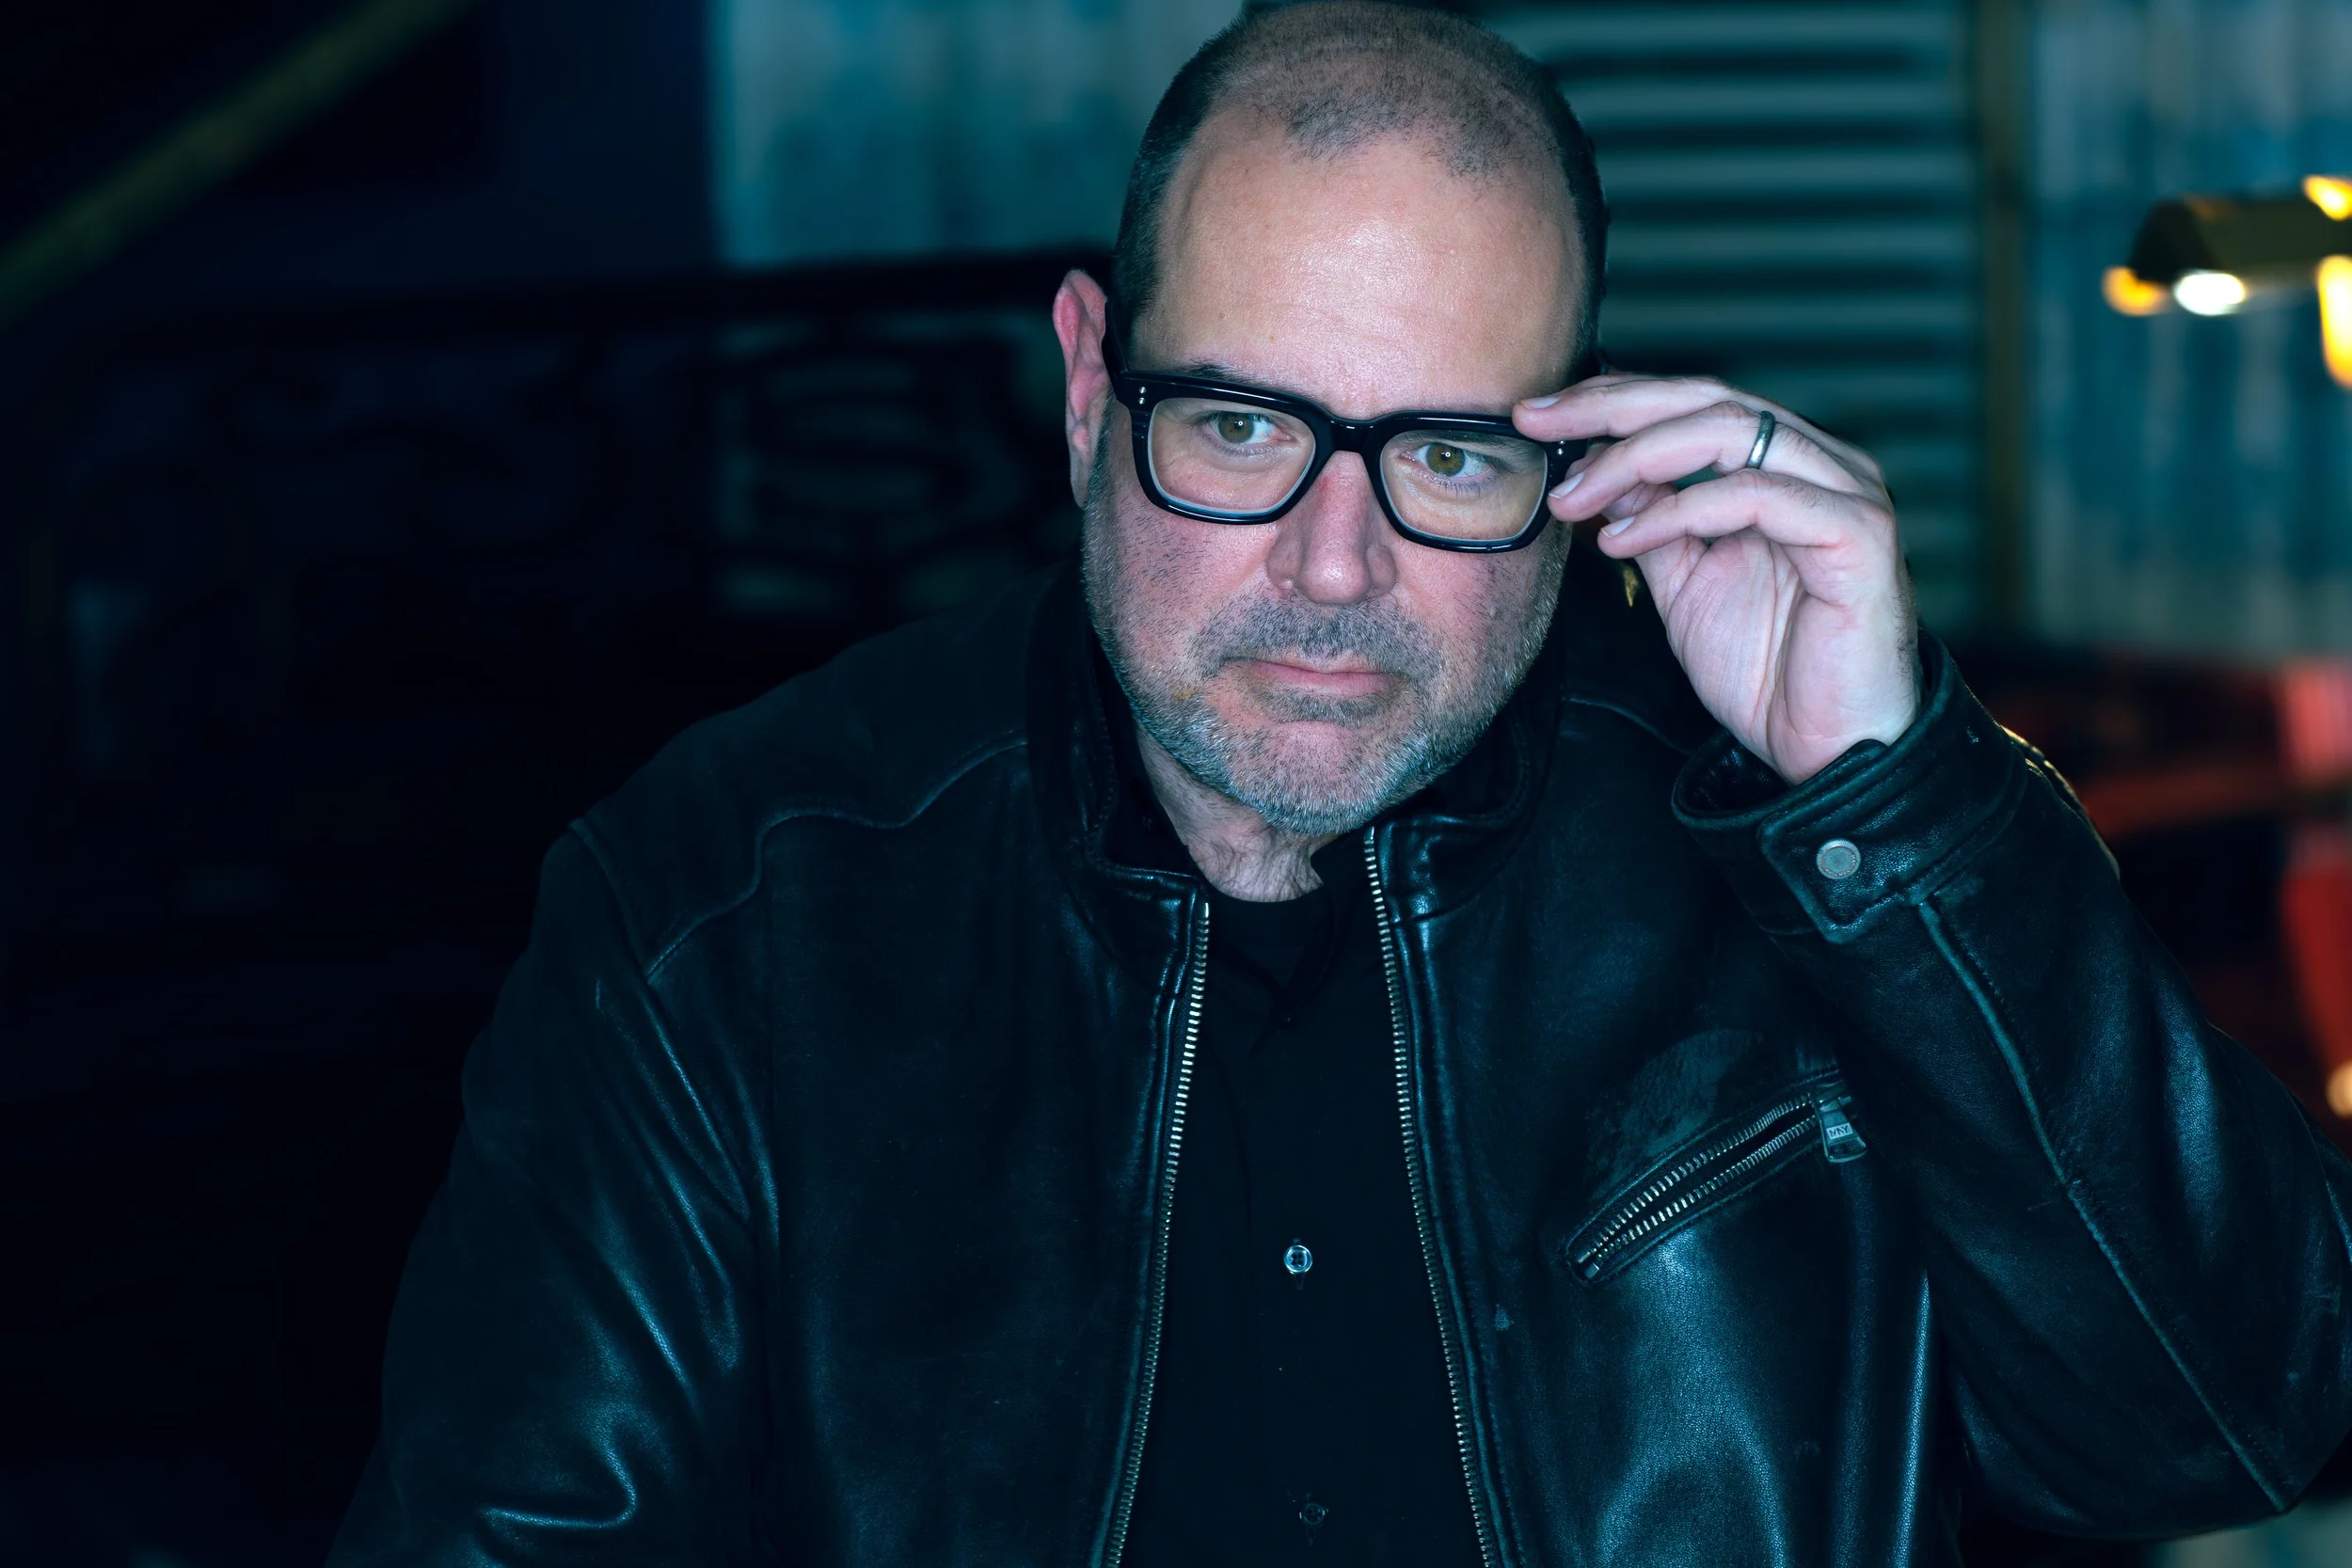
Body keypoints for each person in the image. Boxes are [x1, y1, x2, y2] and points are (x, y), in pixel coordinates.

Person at [329, 6, 2352, 1564]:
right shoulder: (724, 900)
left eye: (1447, 458)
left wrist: (1885, 794)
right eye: (1236, 424)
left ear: (1572, 473)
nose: (1329, 563)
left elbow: (2229, 1421)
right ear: (1081, 386)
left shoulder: (1797, 850)